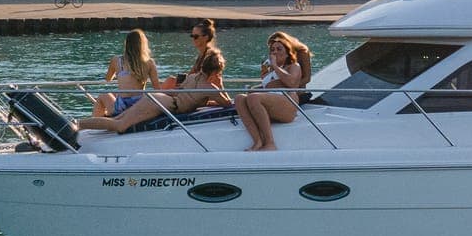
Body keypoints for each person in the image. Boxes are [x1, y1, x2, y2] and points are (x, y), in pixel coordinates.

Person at [83, 20, 230, 134]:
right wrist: (219, 87)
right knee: (120, 126)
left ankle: (79, 125)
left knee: (117, 120)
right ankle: (77, 125)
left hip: (159, 99)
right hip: (162, 103)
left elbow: (181, 92)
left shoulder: (194, 78)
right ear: (215, 72)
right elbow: (228, 104)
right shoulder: (210, 87)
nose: (193, 38)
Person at [236, 31, 314, 150]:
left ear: (288, 53)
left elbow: (292, 83)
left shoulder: (294, 66)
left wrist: (276, 67)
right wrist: (265, 77)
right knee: (240, 98)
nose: (275, 52)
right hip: (272, 100)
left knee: (254, 97)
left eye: (279, 49)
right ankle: (257, 141)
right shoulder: (271, 71)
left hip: (288, 101)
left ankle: (270, 143)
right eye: (272, 50)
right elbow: (267, 87)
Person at [74, 29, 160, 130]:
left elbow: (108, 79)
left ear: (126, 44)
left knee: (103, 96)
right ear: (143, 44)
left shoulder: (117, 60)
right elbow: (157, 88)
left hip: (122, 106)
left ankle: (95, 126)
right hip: (138, 105)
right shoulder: (149, 63)